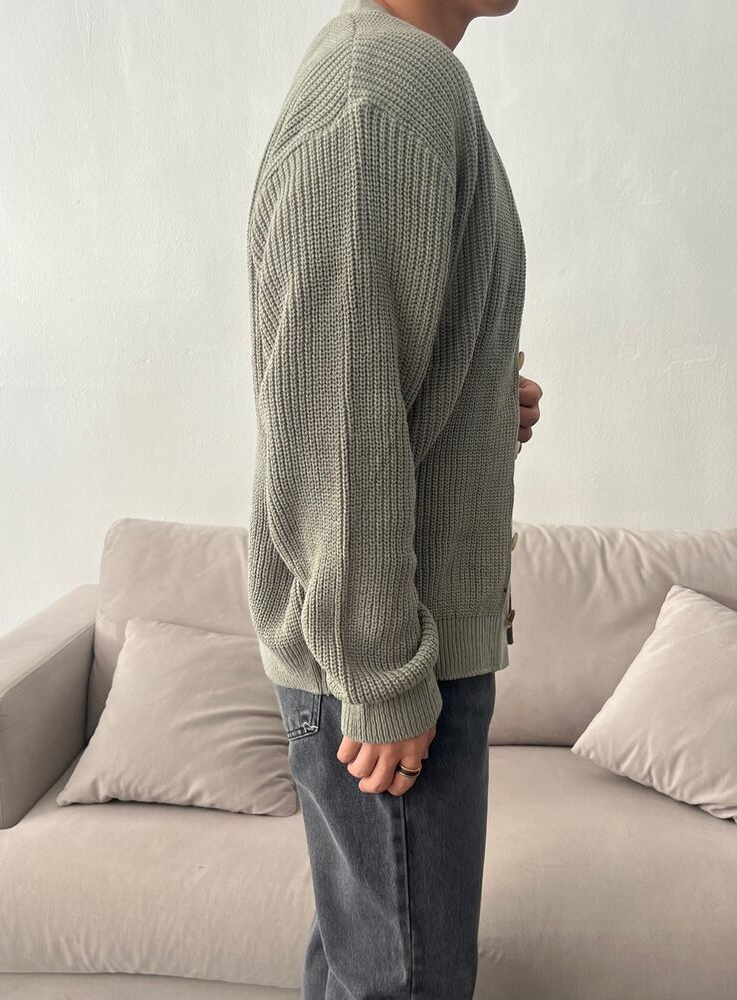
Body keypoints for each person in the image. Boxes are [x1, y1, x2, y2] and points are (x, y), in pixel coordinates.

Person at [246, 1, 542, 996]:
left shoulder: (396, 83)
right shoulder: (377, 96)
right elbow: (328, 410)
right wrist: (380, 674)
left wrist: (480, 398)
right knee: (403, 984)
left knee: (369, 969)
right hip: (388, 660)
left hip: (398, 648)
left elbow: (368, 367)